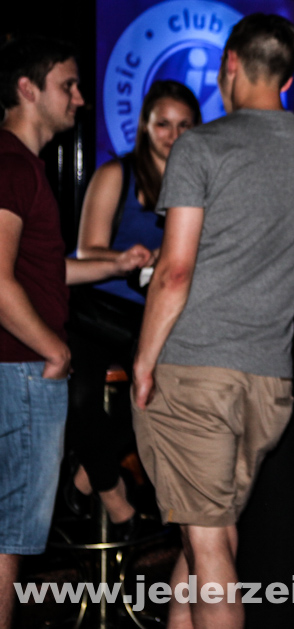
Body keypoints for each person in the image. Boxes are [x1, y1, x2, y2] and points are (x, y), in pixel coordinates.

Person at [131, 14, 294, 628]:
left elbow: (174, 271)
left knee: (210, 548)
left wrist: (143, 362)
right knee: (205, 538)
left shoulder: (201, 145)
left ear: (230, 64)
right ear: (288, 77)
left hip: (195, 370)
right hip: (269, 379)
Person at [0, 36, 151, 629]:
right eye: (68, 85)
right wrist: (55, 349)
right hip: (21, 366)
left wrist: (114, 264)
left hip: (20, 363)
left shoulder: (20, 165)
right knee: (9, 537)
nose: (81, 98)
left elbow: (40, 269)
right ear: (27, 89)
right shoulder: (12, 164)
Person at [65, 80, 201, 534]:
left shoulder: (201, 183)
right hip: (97, 308)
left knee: (164, 393)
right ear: (144, 125)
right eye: (163, 124)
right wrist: (131, 258)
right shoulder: (116, 174)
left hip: (156, 313)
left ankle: (86, 477)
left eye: (184, 125)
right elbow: (86, 250)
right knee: (79, 398)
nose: (173, 135)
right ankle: (114, 495)